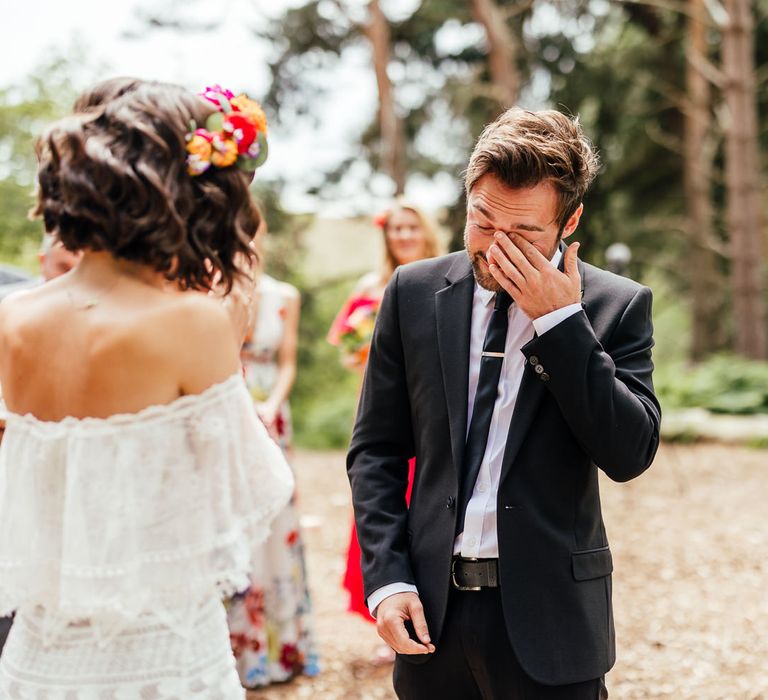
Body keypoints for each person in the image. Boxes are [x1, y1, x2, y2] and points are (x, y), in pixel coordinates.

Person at [347, 107, 661, 699]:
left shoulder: (615, 306)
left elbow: (629, 453)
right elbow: (376, 451)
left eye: (522, 235)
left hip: (552, 624)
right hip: (430, 620)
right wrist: (387, 579)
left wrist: (562, 325)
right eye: (482, 221)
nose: (495, 250)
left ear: (570, 221)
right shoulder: (412, 293)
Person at [0, 79, 293, 698]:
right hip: (161, 650)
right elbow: (253, 490)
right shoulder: (190, 322)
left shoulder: (14, 318)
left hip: (40, 653)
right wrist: (231, 333)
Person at [328, 201, 442, 644]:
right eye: (396, 228)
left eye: (412, 226)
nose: (404, 235)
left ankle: (430, 614)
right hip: (384, 406)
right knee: (381, 504)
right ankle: (387, 611)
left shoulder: (444, 275)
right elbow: (346, 351)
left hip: (430, 408)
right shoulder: (369, 286)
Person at [226, 209, 320, 687]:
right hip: (227, 399)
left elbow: (286, 364)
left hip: (269, 409)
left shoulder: (285, 296)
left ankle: (284, 646)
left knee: (277, 517)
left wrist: (272, 405)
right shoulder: (213, 285)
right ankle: (238, 648)